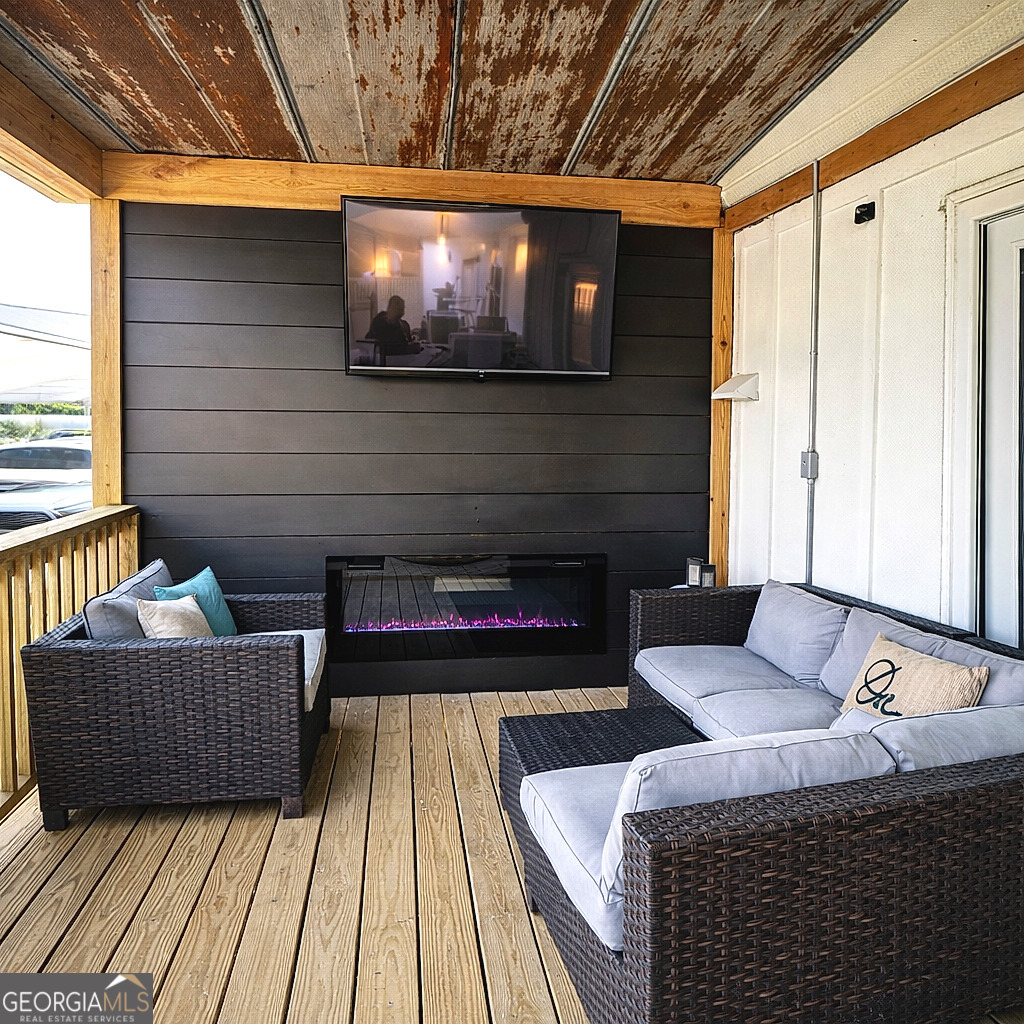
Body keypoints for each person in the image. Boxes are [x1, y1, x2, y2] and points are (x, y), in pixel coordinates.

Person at [366, 295, 420, 362]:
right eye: (397, 307)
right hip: (390, 357)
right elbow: (397, 347)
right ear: (390, 307)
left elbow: (407, 341)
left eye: (402, 307)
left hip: (400, 355)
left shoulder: (404, 324)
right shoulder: (381, 321)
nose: (401, 309)